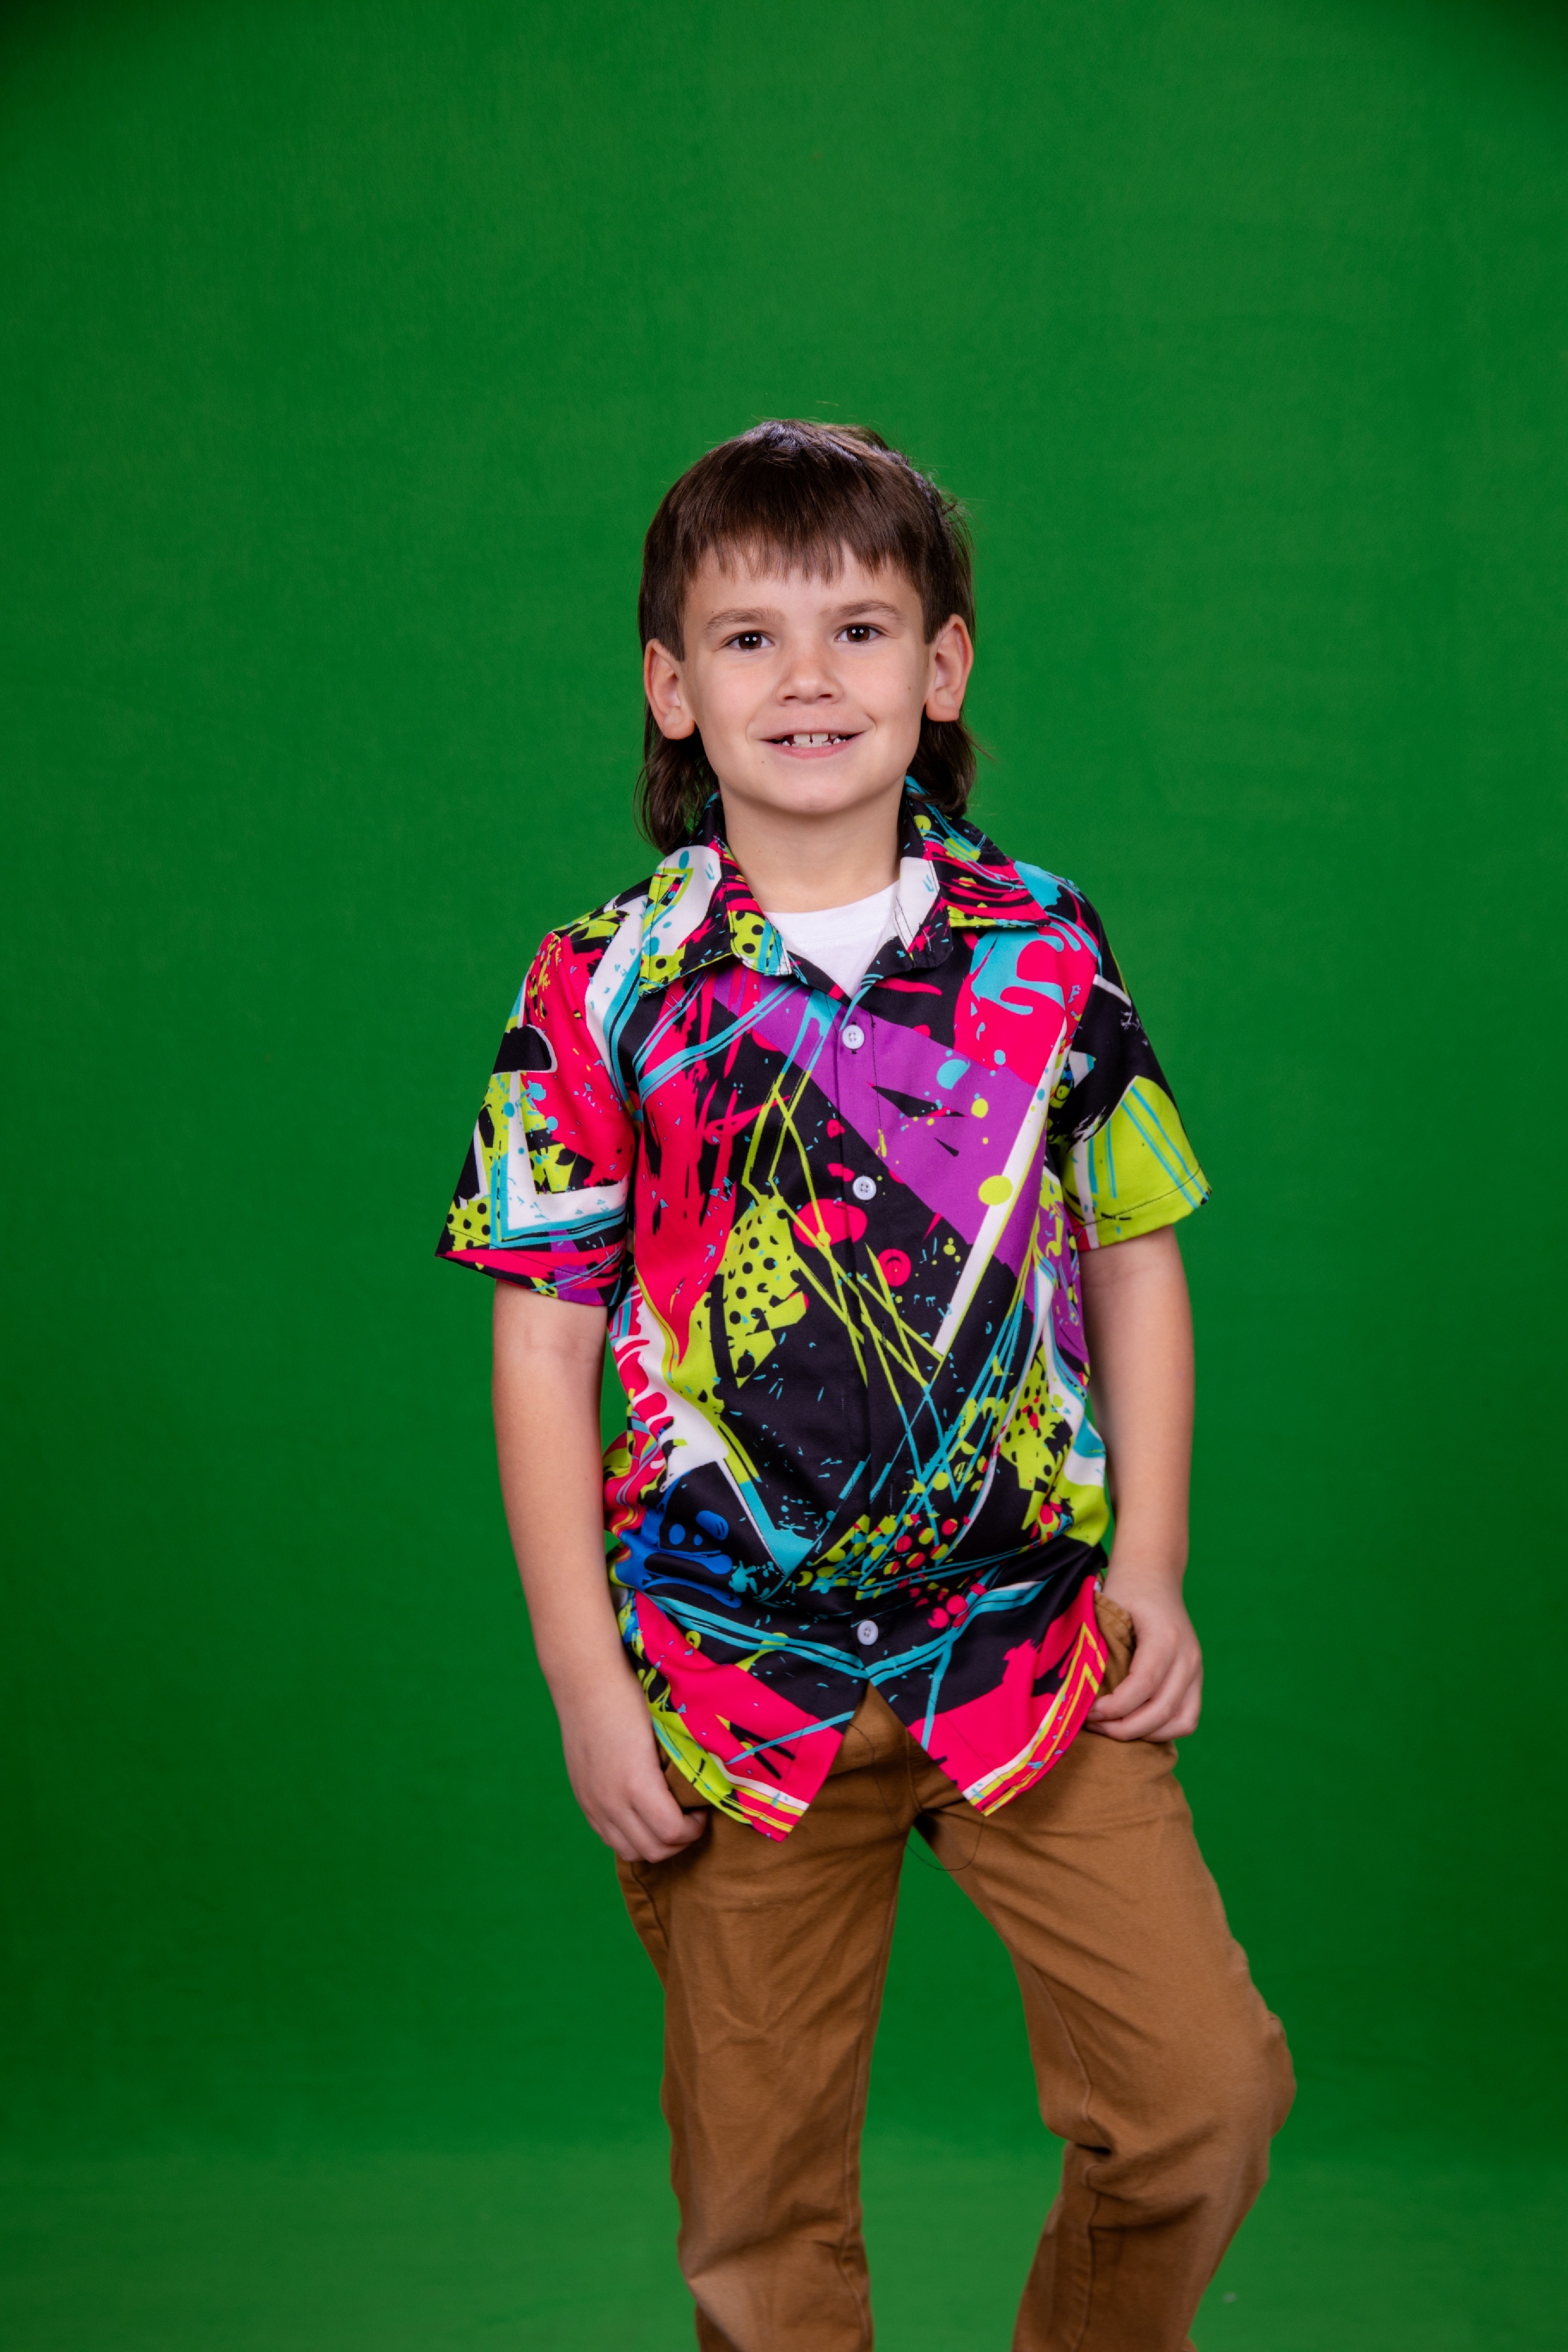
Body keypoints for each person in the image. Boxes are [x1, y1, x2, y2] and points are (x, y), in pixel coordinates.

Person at [438, 420, 1293, 2351]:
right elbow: (542, 1333)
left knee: (1202, 2098)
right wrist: (584, 1681)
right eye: (749, 637)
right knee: (760, 2212)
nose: (807, 677)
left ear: (943, 666)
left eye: (860, 628)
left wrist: (1151, 1565)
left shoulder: (1043, 946)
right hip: (732, 1683)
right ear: (674, 686)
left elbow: (1132, 1252)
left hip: (1029, 1649)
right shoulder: (600, 985)